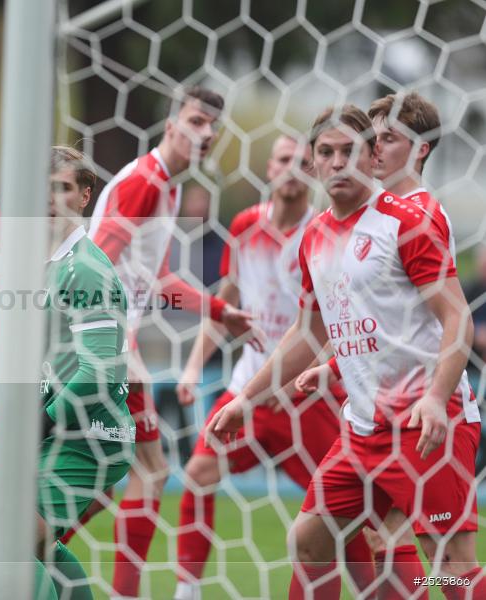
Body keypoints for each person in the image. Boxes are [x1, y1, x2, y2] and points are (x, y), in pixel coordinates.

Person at [208, 105, 484, 600]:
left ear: (371, 155)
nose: (337, 162)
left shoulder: (409, 221)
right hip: (361, 431)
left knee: (453, 569)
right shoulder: (313, 236)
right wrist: (245, 399)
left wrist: (437, 398)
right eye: (326, 152)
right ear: (312, 163)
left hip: (426, 428)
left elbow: (457, 319)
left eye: (348, 151)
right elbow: (308, 332)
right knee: (310, 540)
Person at [172, 136, 374, 599]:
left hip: (309, 395)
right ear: (267, 168)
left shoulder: (325, 233)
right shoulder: (244, 226)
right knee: (199, 472)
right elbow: (227, 302)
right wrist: (192, 368)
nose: (293, 168)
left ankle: (377, 589)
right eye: (284, 160)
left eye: (304, 162)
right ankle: (187, 590)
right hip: (252, 387)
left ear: (315, 173)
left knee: (339, 516)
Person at [81, 86, 257, 598]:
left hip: (110, 343)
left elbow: (156, 282)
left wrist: (220, 310)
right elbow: (95, 265)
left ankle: (22, 555)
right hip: (107, 344)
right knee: (150, 472)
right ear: (171, 124)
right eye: (196, 120)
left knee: (112, 481)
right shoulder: (146, 182)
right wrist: (110, 344)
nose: (205, 133)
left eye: (212, 126)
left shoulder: (168, 188)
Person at [295, 92, 465, 598]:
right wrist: (337, 367)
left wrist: (435, 397)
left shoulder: (417, 215)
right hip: (372, 417)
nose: (375, 150)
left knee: (445, 564)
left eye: (386, 138)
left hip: (422, 413)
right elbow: (380, 319)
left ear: (420, 150)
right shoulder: (342, 225)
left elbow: (439, 319)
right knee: (353, 538)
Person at [0, 146, 135, 600]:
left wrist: (41, 418)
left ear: (83, 197)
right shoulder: (40, 266)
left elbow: (100, 368)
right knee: (34, 545)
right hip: (59, 431)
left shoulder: (86, 269)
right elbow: (48, 361)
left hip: (85, 438)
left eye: (60, 188)